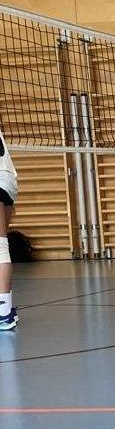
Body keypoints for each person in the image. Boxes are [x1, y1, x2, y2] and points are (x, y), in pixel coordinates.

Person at [0, 126, 18, 331]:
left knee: (0, 248)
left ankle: (3, 314)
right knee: (1, 246)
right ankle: (5, 309)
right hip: (8, 182)